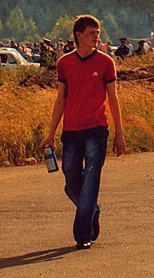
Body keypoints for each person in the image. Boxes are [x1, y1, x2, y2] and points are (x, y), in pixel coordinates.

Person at [40, 14, 126, 249]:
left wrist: (119, 132)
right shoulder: (65, 63)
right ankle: (91, 210)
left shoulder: (106, 62)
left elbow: (113, 98)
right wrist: (51, 133)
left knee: (91, 178)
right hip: (72, 130)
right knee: (71, 181)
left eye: (98, 33)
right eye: (92, 33)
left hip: (97, 130)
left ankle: (82, 234)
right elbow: (60, 100)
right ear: (79, 35)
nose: (96, 37)